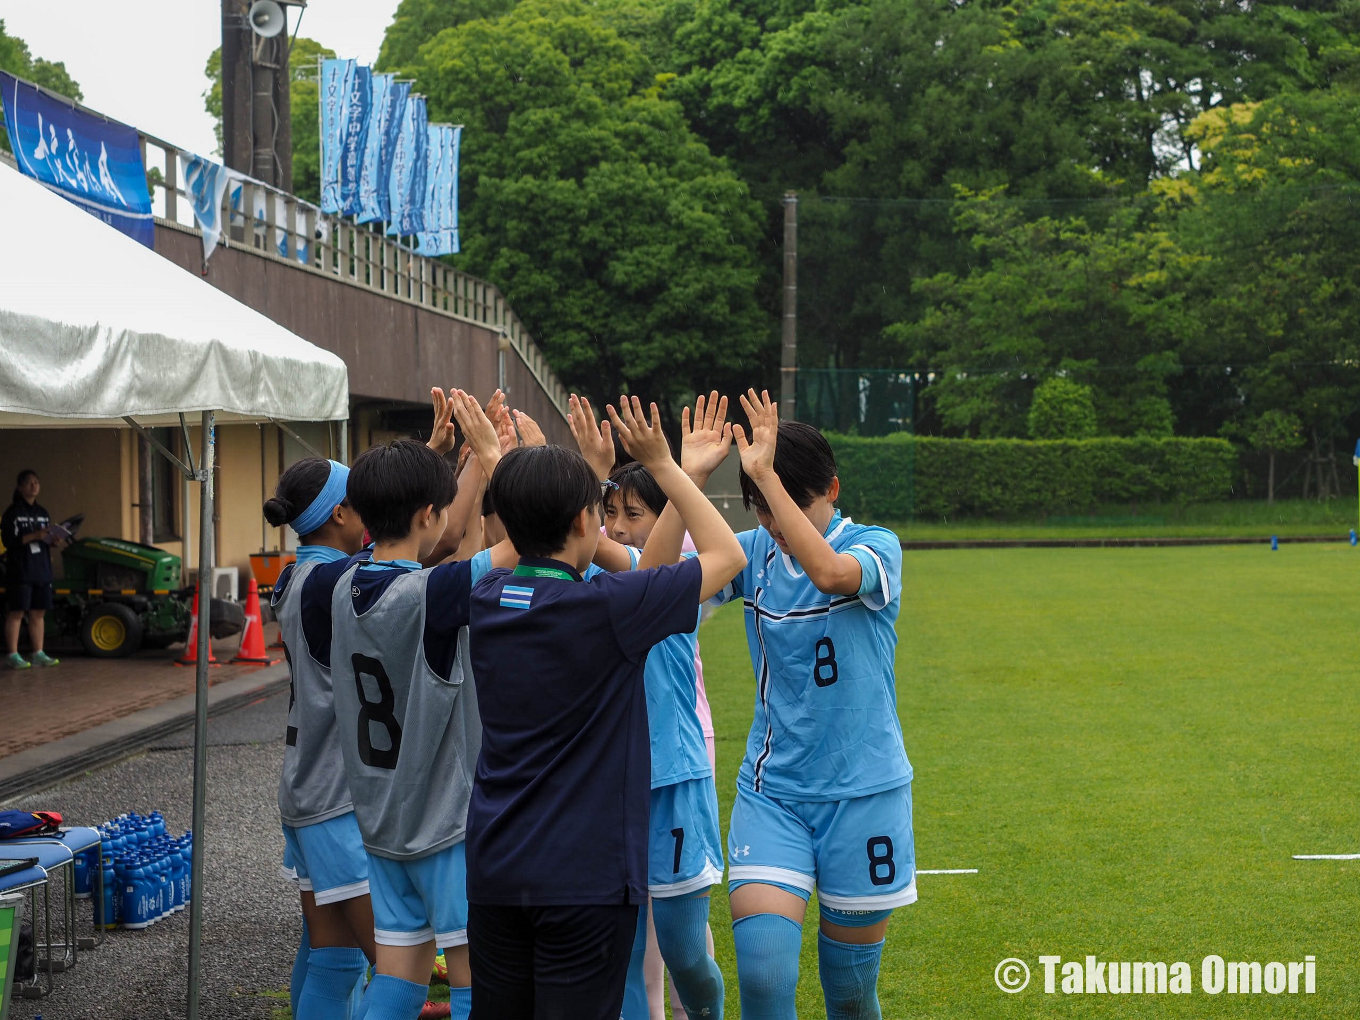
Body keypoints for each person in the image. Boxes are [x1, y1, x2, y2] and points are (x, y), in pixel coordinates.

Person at [464, 397, 746, 1020]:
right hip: (582, 876)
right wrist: (670, 468)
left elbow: (530, 541)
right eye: (599, 510)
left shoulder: (485, 596)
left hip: (494, 868)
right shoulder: (611, 610)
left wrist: (510, 467)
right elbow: (727, 557)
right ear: (587, 521)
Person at [718, 390, 915, 1020]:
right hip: (772, 792)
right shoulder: (750, 553)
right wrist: (679, 475)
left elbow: (830, 573)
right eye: (762, 508)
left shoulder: (876, 546)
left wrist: (767, 478)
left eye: (790, 504)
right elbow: (654, 576)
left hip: (865, 796)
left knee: (850, 994)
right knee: (766, 973)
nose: (775, 523)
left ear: (832, 489)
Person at [329, 391, 511, 1020]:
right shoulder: (435, 594)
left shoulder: (339, 584)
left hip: (379, 821)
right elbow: (523, 547)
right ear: (430, 514)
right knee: (473, 981)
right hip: (444, 825)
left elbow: (422, 531)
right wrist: (494, 460)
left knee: (400, 978)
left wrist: (432, 458)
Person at [570, 394, 731, 1020]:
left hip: (673, 778)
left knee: (687, 947)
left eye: (631, 514)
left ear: (671, 519)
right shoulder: (588, 573)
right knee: (630, 951)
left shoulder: (682, 570)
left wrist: (681, 474)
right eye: (607, 513)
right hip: (609, 785)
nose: (614, 526)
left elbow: (649, 563)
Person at [265, 458, 374, 1020]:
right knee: (389, 960)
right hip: (334, 799)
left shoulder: (296, 574)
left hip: (307, 790)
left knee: (330, 956)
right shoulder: (339, 582)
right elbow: (437, 543)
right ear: (340, 513)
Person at [3, 469, 60, 670]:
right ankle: (13, 654)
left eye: (36, 482)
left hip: (41, 569)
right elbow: (9, 541)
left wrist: (53, 539)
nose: (34, 486)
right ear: (20, 487)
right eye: (29, 483)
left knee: (38, 613)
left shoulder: (43, 513)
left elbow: (45, 538)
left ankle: (38, 652)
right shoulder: (12, 513)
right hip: (20, 569)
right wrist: (35, 535)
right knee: (17, 612)